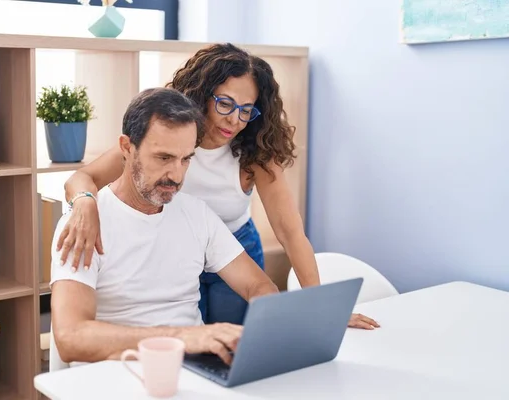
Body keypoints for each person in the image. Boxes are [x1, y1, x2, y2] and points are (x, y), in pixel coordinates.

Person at [58, 43, 379, 330]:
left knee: (228, 343)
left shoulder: (255, 154)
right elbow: (81, 178)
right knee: (188, 337)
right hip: (177, 250)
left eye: (246, 110)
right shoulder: (170, 137)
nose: (234, 120)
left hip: (236, 251)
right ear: (202, 94)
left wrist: (320, 307)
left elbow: (291, 232)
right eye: (225, 104)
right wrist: (86, 203)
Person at [50, 87, 279, 366]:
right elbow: (71, 339)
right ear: (126, 148)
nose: (176, 175)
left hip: (191, 370)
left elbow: (258, 285)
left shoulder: (198, 215)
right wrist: (181, 338)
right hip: (119, 374)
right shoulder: (84, 225)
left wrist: (269, 326)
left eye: (186, 159)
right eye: (163, 158)